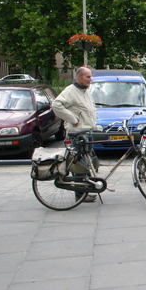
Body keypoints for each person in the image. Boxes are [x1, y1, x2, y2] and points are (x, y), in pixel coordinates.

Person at [52, 66, 98, 203]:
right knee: (79, 165)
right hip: (77, 134)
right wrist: (73, 119)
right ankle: (80, 195)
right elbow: (56, 105)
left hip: (87, 131)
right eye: (88, 77)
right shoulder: (70, 91)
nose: (91, 79)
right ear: (79, 77)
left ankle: (86, 189)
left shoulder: (85, 91)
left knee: (89, 164)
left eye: (90, 76)